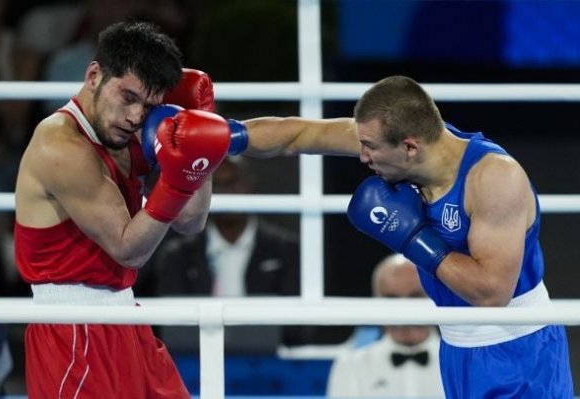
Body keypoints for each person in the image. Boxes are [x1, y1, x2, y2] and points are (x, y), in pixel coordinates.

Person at [237, 75, 573, 397]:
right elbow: (298, 134)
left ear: (410, 146)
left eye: (369, 148)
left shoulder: (494, 178)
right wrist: (222, 136)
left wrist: (414, 238)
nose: (363, 157)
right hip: (457, 346)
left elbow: (491, 294)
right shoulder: (399, 140)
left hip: (518, 352)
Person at [14, 21, 237, 398]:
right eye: (128, 97)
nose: (136, 116)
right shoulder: (60, 145)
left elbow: (190, 220)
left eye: (148, 106)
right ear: (94, 75)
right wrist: (179, 181)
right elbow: (128, 248)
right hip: (73, 330)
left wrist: (201, 143)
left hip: (126, 317)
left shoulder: (128, 133)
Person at [151, 156, 300, 298]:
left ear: (250, 184)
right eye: (217, 185)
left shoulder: (286, 249)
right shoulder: (177, 255)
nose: (226, 191)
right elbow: (173, 320)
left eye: (233, 182)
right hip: (204, 324)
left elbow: (297, 319)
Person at [326, 254, 442, 398]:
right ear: (377, 303)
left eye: (415, 297)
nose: (403, 309)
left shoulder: (460, 364)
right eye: (392, 299)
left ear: (433, 297)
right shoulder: (350, 366)